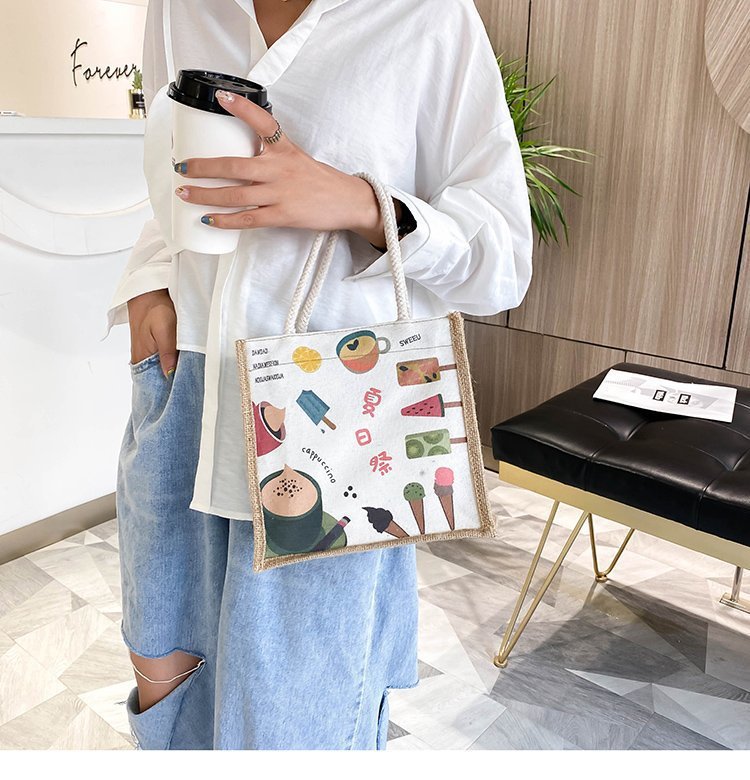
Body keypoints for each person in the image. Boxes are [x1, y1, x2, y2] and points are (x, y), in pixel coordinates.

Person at [102, 0, 532, 750]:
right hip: (184, 394)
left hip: (331, 413)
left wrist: (361, 204)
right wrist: (145, 281)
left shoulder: (427, 16)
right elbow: (170, 174)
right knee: (168, 680)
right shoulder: (178, 7)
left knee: (297, 725)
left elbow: (503, 260)